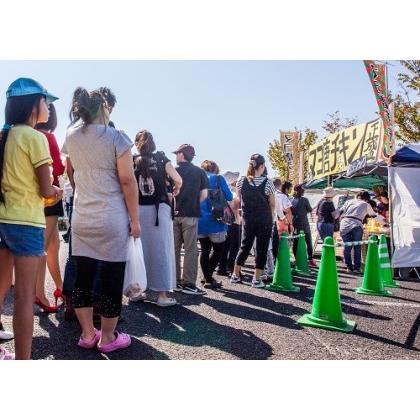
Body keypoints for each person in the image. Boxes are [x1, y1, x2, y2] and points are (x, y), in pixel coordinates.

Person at [62, 86, 139, 353]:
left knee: (82, 277)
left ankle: (87, 334)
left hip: (82, 216)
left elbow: (70, 172)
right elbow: (128, 180)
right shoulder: (117, 137)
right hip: (111, 217)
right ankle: (108, 338)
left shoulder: (71, 135)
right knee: (110, 279)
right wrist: (135, 219)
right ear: (104, 108)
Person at [0, 78, 62, 360]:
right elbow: (46, 190)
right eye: (45, 101)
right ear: (32, 105)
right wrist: (56, 193)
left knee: (1, 290)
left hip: (2, 220)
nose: (48, 107)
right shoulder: (36, 138)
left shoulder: (5, 136)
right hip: (26, 222)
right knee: (25, 297)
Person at [134, 130, 182, 305]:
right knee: (161, 251)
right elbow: (178, 179)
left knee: (139, 252)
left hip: (138, 210)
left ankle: (137, 291)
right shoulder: (162, 158)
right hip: (158, 211)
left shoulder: (133, 161)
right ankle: (162, 295)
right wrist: (176, 189)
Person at [34, 103, 65, 312]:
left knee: (53, 247)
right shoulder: (48, 137)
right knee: (44, 249)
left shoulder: (30, 135)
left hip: (37, 196)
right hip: (51, 196)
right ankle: (39, 295)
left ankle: (61, 289)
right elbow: (59, 167)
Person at [231, 154, 276, 288]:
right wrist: (272, 217)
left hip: (248, 218)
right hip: (264, 218)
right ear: (262, 166)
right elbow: (272, 204)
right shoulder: (268, 182)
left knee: (245, 246)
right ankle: (256, 279)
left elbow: (239, 200)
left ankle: (235, 274)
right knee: (261, 248)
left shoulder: (241, 181)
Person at [173, 144, 208, 295]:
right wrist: (194, 203)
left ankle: (174, 281)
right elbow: (204, 195)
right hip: (191, 213)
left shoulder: (173, 170)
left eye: (177, 153)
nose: (175, 156)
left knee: (173, 249)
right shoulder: (200, 172)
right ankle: (188, 283)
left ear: (182, 155)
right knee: (190, 250)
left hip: (173, 213)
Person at [198, 160, 233, 288]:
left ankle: (206, 277)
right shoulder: (218, 178)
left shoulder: (197, 178)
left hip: (199, 220)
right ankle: (207, 278)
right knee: (219, 250)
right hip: (216, 220)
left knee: (205, 250)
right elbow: (229, 197)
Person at [339, 191, 377, 273]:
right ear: (367, 199)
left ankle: (349, 267)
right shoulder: (366, 204)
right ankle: (356, 268)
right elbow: (374, 215)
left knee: (347, 246)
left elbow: (339, 211)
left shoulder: (348, 201)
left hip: (344, 223)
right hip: (357, 224)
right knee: (357, 247)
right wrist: (384, 223)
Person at [218, 171, 241, 276]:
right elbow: (236, 206)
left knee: (225, 246)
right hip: (233, 222)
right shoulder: (232, 193)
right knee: (234, 246)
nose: (236, 181)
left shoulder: (220, 191)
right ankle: (230, 267)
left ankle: (222, 267)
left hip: (223, 222)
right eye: (235, 179)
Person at [291, 184, 316, 268]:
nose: (304, 190)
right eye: (303, 189)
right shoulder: (305, 200)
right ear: (300, 190)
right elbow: (310, 209)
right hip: (304, 224)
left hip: (295, 224)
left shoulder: (291, 200)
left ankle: (296, 259)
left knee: (295, 242)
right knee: (308, 242)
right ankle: (310, 260)